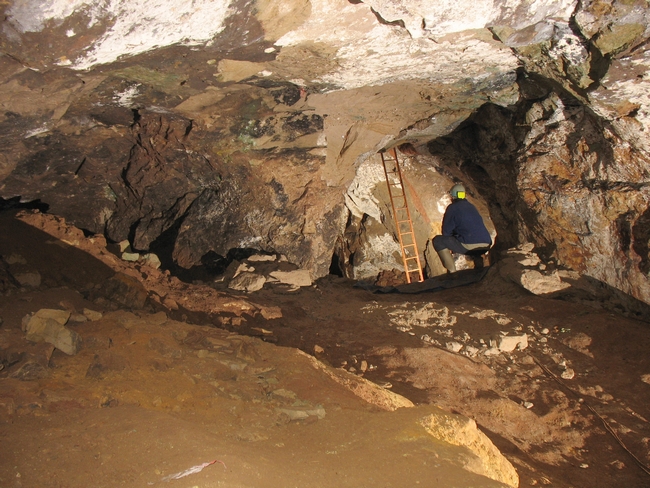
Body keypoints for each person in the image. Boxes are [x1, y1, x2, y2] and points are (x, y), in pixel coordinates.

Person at [433, 183, 492, 273]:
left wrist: (451, 246)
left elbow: (446, 232)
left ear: (452, 196)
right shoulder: (472, 207)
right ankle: (479, 265)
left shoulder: (453, 208)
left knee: (438, 241)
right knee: (469, 237)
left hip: (469, 245)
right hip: (486, 244)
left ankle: (452, 272)